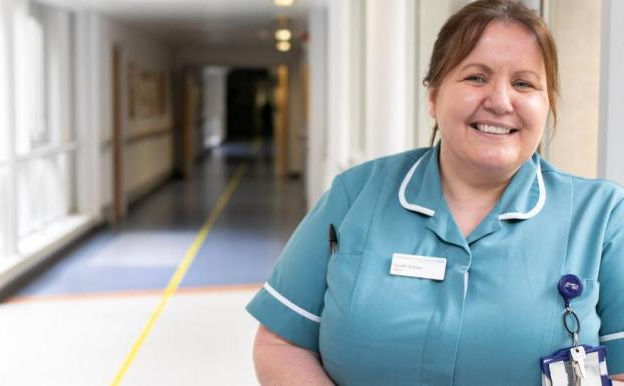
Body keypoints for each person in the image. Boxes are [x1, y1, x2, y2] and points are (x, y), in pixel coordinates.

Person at [246, 1, 624, 385]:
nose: (500, 101)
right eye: (476, 77)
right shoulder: (355, 195)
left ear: (548, 104)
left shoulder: (603, 218)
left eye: (523, 83)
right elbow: (281, 343)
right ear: (432, 96)